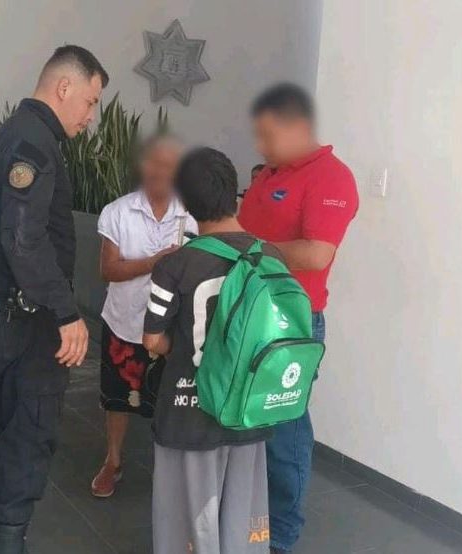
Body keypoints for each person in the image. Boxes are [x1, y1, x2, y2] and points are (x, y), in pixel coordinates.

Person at [0, 45, 108, 554]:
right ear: (64, 87)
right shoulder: (34, 142)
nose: (90, 116)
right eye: (90, 101)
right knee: (31, 429)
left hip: (7, 307)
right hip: (29, 316)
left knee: (4, 423)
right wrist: (66, 312)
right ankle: (7, 542)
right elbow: (24, 238)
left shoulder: (20, 132)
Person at [238, 83, 358, 554]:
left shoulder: (331, 177)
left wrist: (250, 249)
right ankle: (248, 525)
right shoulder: (270, 174)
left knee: (283, 431)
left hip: (291, 324)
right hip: (250, 313)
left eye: (267, 135)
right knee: (244, 423)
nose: (260, 146)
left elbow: (316, 253)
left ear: (298, 128)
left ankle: (280, 536)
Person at [143, 147, 279, 554]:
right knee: (241, 518)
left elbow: (152, 340)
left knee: (186, 523)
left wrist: (183, 347)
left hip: (189, 412)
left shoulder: (175, 264)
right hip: (248, 410)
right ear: (234, 191)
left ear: (186, 202)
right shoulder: (270, 257)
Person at [90, 135, 197, 498]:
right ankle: (113, 461)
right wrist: (154, 263)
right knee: (117, 398)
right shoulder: (118, 211)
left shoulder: (191, 215)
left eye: (168, 165)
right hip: (123, 322)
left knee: (171, 400)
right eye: (153, 163)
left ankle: (170, 471)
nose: (159, 171)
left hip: (171, 329)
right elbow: (108, 270)